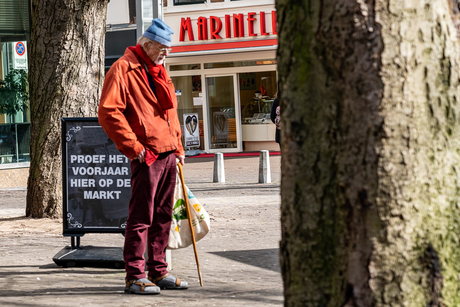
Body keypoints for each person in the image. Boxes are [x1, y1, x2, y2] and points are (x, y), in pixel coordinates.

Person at [98, 18, 188, 295]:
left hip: (168, 152)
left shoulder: (159, 69)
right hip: (147, 155)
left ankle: (159, 271)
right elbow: (108, 112)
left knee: (163, 216)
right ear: (146, 44)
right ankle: (134, 275)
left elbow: (170, 112)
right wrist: (135, 148)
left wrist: (179, 147)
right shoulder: (123, 69)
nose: (165, 54)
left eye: (168, 49)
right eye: (161, 48)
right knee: (141, 217)